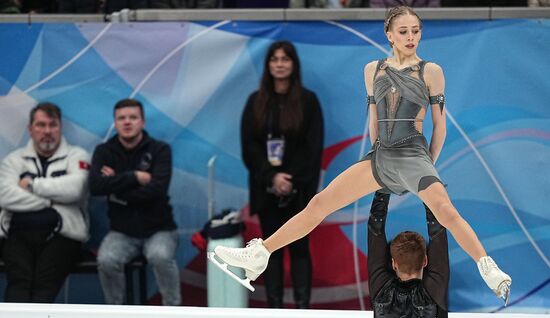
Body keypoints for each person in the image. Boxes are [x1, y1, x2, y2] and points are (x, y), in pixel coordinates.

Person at [212, 5, 512, 305]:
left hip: (414, 155)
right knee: (319, 204)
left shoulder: (431, 71)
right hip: (380, 156)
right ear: (389, 34)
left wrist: (428, 166)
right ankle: (259, 254)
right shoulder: (373, 69)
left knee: (446, 211)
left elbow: (440, 126)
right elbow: (374, 120)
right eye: (404, 31)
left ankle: (488, 267)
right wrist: (374, 161)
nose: (411, 37)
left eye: (416, 31)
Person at [240, 40, 324, 308]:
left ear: (293, 64)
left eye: (284, 59)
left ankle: (302, 307)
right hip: (267, 189)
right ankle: (274, 307)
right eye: (274, 59)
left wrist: (292, 180)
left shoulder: (308, 101)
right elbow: (249, 146)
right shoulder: (256, 101)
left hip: (299, 191)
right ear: (267, 65)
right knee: (268, 250)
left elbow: (313, 146)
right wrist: (272, 178)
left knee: (300, 248)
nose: (279, 64)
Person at [89, 98, 181, 306]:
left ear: (143, 122)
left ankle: (174, 310)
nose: (127, 122)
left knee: (160, 257)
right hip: (121, 231)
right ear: (115, 123)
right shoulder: (104, 151)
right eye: (122, 118)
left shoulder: (160, 150)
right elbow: (95, 187)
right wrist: (133, 177)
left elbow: (157, 190)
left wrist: (116, 188)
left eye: (133, 117)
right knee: (106, 260)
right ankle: (116, 312)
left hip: (160, 229)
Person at [0, 102, 90, 302]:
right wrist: (53, 200)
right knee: (19, 288)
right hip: (17, 236)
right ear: (30, 129)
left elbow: (75, 190)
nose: (47, 131)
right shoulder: (13, 161)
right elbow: (5, 195)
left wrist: (32, 185)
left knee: (43, 290)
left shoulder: (77, 156)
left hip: (63, 235)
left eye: (52, 125)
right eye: (41, 125)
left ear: (60, 128)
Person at [368, 191, 449, 317]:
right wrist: (427, 189)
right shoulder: (434, 290)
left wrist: (383, 188)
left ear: (394, 263)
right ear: (425, 261)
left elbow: (375, 228)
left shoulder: (380, 289)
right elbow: (438, 231)